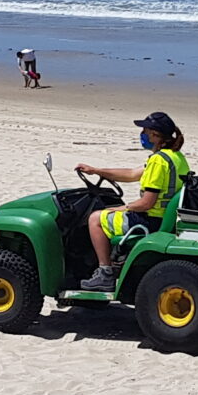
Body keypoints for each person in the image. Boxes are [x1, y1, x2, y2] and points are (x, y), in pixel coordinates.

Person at [74, 112, 190, 292]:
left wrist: (122, 208)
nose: (142, 134)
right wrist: (96, 170)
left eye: (145, 131)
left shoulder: (158, 162)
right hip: (165, 218)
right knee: (109, 213)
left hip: (150, 220)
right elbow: (131, 174)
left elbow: (146, 203)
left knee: (96, 219)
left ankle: (105, 273)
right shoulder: (175, 157)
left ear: (154, 135)